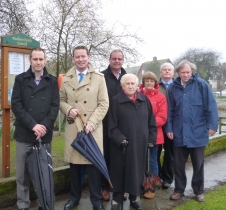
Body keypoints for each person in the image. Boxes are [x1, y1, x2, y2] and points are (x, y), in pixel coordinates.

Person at [59, 45, 109, 210]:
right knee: (74, 166)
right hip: (74, 126)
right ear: (73, 58)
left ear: (88, 57)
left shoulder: (99, 77)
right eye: (77, 57)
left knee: (93, 165)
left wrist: (92, 122)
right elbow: (60, 100)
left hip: (92, 127)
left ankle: (96, 201)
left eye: (83, 56)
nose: (80, 59)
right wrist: (68, 109)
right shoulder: (66, 78)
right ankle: (74, 198)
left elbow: (104, 103)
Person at [11, 48, 59, 210]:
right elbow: (16, 105)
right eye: (35, 59)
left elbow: (55, 106)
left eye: (41, 59)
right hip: (25, 133)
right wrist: (33, 125)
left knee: (44, 172)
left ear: (45, 61)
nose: (38, 62)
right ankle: (23, 204)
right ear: (29, 60)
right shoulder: (20, 80)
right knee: (22, 174)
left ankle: (43, 202)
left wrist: (43, 125)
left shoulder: (52, 81)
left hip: (44, 134)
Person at [166, 60, 219, 202]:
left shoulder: (202, 85)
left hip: (198, 132)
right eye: (183, 72)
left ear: (192, 72)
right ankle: (178, 189)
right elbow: (169, 110)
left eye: (188, 72)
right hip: (179, 132)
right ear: (178, 73)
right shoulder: (172, 88)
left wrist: (213, 125)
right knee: (178, 165)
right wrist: (169, 128)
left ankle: (198, 191)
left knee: (198, 165)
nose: (185, 75)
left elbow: (211, 106)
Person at [108, 73, 157, 210]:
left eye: (132, 84)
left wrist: (151, 139)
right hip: (122, 146)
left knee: (137, 172)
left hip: (141, 145)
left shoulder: (144, 100)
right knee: (119, 173)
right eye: (127, 84)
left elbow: (151, 122)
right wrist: (120, 139)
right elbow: (111, 126)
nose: (130, 86)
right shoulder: (116, 101)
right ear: (123, 86)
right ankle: (116, 200)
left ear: (137, 86)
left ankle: (134, 197)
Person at [100, 49, 127, 201]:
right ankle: (105, 187)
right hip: (104, 123)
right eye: (114, 58)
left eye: (119, 59)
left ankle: (120, 187)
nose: (117, 61)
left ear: (123, 60)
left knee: (121, 157)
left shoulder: (127, 77)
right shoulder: (101, 76)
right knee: (106, 156)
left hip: (122, 124)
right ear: (109, 59)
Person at [139, 71, 168, 199]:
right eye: (147, 81)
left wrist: (146, 123)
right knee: (139, 161)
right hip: (138, 135)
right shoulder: (137, 95)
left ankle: (152, 187)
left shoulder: (160, 97)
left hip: (154, 135)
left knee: (152, 161)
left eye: (151, 81)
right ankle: (140, 185)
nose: (149, 83)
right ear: (143, 82)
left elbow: (162, 117)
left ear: (155, 83)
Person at [156, 62, 175, 189]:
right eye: (164, 70)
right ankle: (156, 177)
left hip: (172, 125)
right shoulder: (155, 86)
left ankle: (167, 178)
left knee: (170, 153)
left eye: (169, 70)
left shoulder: (178, 86)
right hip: (157, 125)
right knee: (155, 153)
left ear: (173, 73)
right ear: (161, 72)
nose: (167, 72)